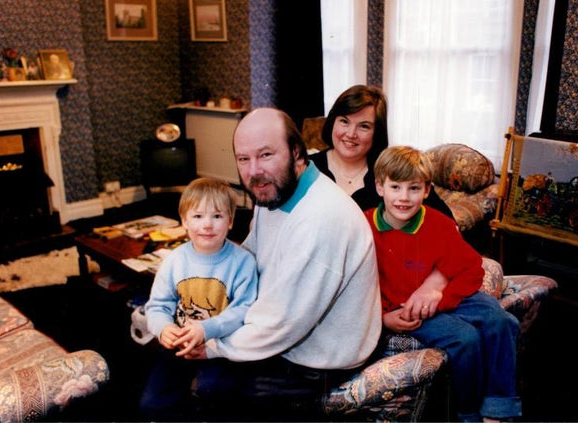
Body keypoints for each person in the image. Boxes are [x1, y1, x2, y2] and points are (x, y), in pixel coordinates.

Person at [183, 107, 382, 419]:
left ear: (298, 153)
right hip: (289, 332)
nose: (253, 171)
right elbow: (250, 258)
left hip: (321, 360)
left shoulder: (321, 218)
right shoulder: (276, 192)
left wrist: (212, 345)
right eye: (243, 159)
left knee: (205, 389)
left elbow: (283, 322)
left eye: (265, 155)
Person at [364, 145, 521, 422]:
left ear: (426, 190)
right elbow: (355, 289)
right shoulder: (364, 228)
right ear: (379, 187)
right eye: (395, 187)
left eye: (413, 188)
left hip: (448, 297)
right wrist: (383, 318)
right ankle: (468, 413)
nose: (404, 197)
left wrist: (440, 293)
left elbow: (471, 266)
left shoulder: (438, 223)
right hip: (409, 310)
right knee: (465, 338)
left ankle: (499, 407)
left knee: (503, 321)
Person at [140, 177, 258, 420]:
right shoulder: (174, 260)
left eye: (217, 216)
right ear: (184, 221)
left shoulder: (243, 261)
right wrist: (164, 329)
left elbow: (244, 309)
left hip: (220, 347)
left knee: (213, 396)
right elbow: (158, 306)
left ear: (230, 222)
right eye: (197, 216)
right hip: (181, 345)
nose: (207, 225)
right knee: (151, 404)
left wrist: (207, 330)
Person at [309, 84, 455, 220]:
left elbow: (446, 221)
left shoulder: (392, 168)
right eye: (344, 121)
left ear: (377, 132)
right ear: (332, 122)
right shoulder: (306, 168)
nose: (351, 134)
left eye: (364, 126)